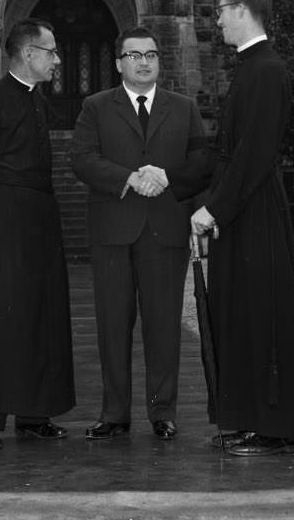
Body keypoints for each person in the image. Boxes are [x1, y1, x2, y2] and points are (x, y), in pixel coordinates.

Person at [190, 0, 294, 456]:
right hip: (242, 209)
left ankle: (277, 427)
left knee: (261, 315)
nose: (219, 20)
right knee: (243, 314)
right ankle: (257, 420)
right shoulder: (251, 69)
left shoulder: (266, 70)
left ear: (244, 9)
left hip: (254, 212)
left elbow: (254, 154)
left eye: (223, 11)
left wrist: (213, 209)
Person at [72, 26, 211, 439]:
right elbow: (82, 159)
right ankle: (114, 414)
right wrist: (130, 178)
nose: (144, 62)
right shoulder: (96, 106)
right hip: (113, 230)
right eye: (134, 55)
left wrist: (167, 177)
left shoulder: (183, 108)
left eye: (151, 55)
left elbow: (202, 159)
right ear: (118, 63)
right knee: (113, 324)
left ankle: (162, 412)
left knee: (163, 324)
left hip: (165, 229)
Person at [0, 18, 75, 449]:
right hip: (3, 218)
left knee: (40, 313)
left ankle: (33, 415)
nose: (58, 60)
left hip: (41, 216)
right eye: (51, 51)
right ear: (28, 54)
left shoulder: (40, 103)